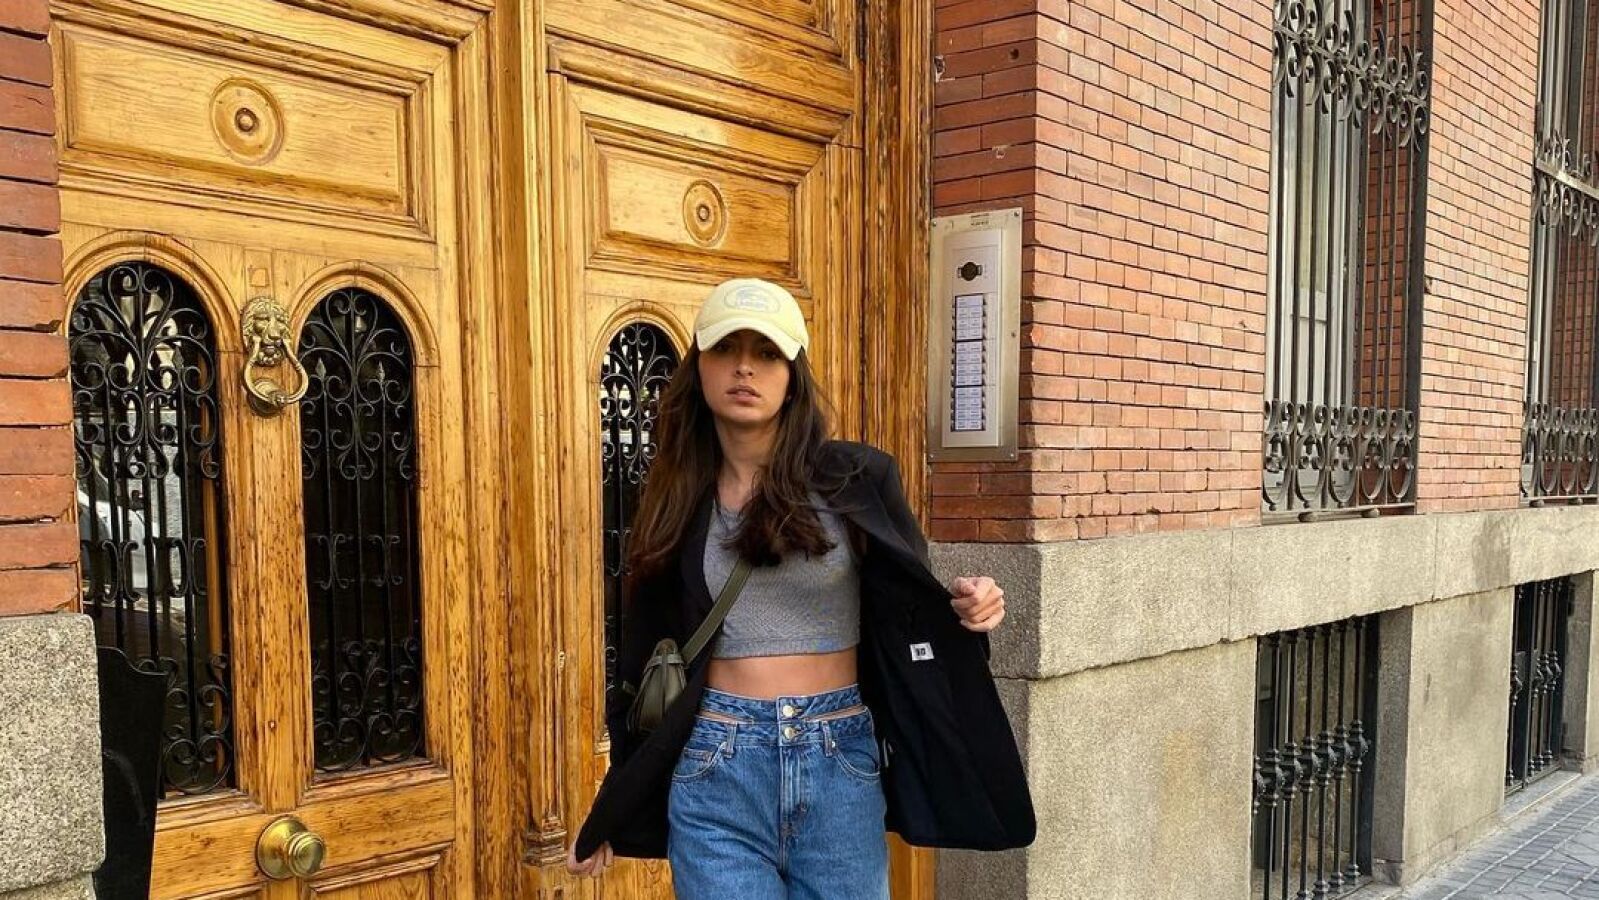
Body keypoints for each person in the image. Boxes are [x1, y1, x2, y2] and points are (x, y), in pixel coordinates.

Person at [567, 277, 1035, 897]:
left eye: (767, 353)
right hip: (716, 763)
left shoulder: (856, 477)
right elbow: (647, 660)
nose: (744, 368)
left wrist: (971, 606)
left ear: (793, 376)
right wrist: (617, 800)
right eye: (726, 348)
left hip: (838, 757)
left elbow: (910, 606)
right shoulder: (676, 494)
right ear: (698, 368)